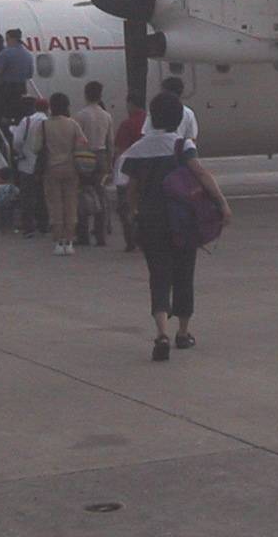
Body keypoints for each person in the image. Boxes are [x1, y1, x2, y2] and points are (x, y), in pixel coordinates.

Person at [124, 91, 232, 361]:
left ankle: (161, 332)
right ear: (177, 118)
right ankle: (183, 333)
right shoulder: (181, 146)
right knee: (184, 273)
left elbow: (131, 189)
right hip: (182, 219)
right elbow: (201, 174)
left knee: (158, 275)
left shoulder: (138, 149)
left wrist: (134, 212)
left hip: (151, 220)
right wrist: (222, 204)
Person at [36, 92, 85, 256]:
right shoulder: (73, 124)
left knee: (55, 205)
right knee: (71, 204)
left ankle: (58, 242)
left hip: (51, 169)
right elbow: (82, 144)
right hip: (71, 169)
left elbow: (36, 147)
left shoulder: (44, 125)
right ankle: (70, 241)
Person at [73, 81, 113, 247]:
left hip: (85, 156)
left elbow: (78, 141)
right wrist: (110, 162)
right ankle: (101, 235)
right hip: (101, 154)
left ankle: (83, 235)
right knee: (100, 194)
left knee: (82, 194)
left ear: (86, 94)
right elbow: (110, 141)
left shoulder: (80, 115)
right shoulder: (106, 116)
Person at [9, 97, 50, 237]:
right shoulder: (49, 122)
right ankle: (44, 225)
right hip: (45, 166)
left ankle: (28, 227)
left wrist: (21, 152)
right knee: (43, 196)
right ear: (47, 108)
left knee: (27, 197)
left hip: (26, 164)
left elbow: (17, 141)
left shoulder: (26, 121)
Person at [113, 92, 147, 252]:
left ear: (131, 104)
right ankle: (146, 238)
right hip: (147, 171)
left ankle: (131, 240)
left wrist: (114, 171)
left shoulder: (127, 124)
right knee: (145, 205)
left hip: (129, 171)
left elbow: (121, 150)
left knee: (125, 207)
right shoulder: (150, 123)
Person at [0, 29, 36, 122]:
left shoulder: (6, 53)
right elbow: (30, 74)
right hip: (21, 88)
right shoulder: (27, 54)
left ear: (13, 39)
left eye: (7, 39)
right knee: (19, 113)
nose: (6, 42)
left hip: (7, 88)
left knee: (2, 113)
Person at [160, 75, 199, 143]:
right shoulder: (188, 113)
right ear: (181, 92)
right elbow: (191, 139)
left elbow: (146, 133)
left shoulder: (154, 112)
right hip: (178, 151)